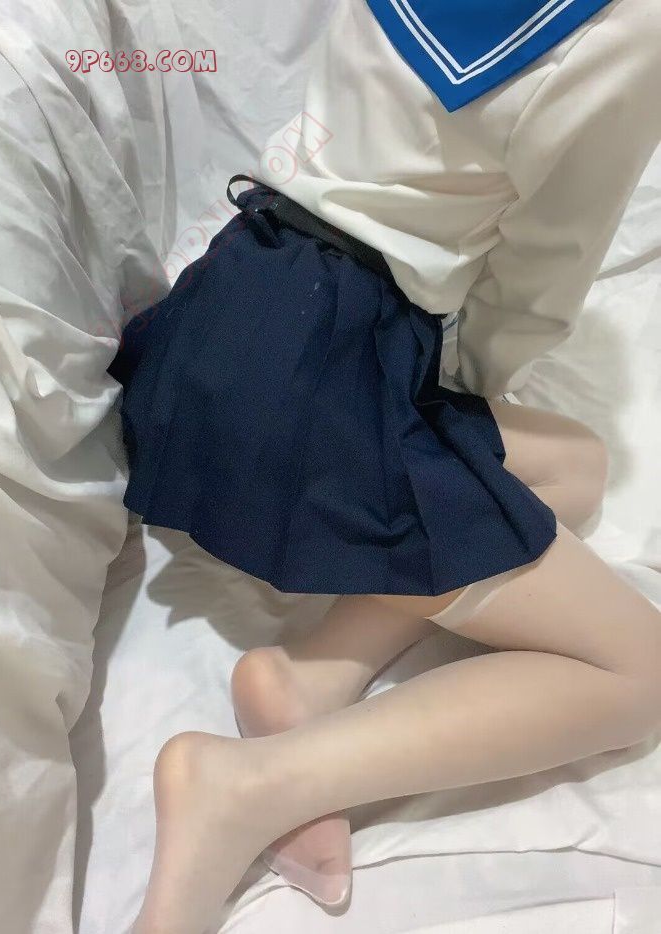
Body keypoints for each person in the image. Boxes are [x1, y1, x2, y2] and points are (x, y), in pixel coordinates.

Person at [106, 0, 661, 930]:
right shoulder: (629, 25)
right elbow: (540, 272)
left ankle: (306, 680)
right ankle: (247, 786)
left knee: (576, 467)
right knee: (640, 675)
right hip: (318, 374)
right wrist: (442, 407)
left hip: (230, 306)